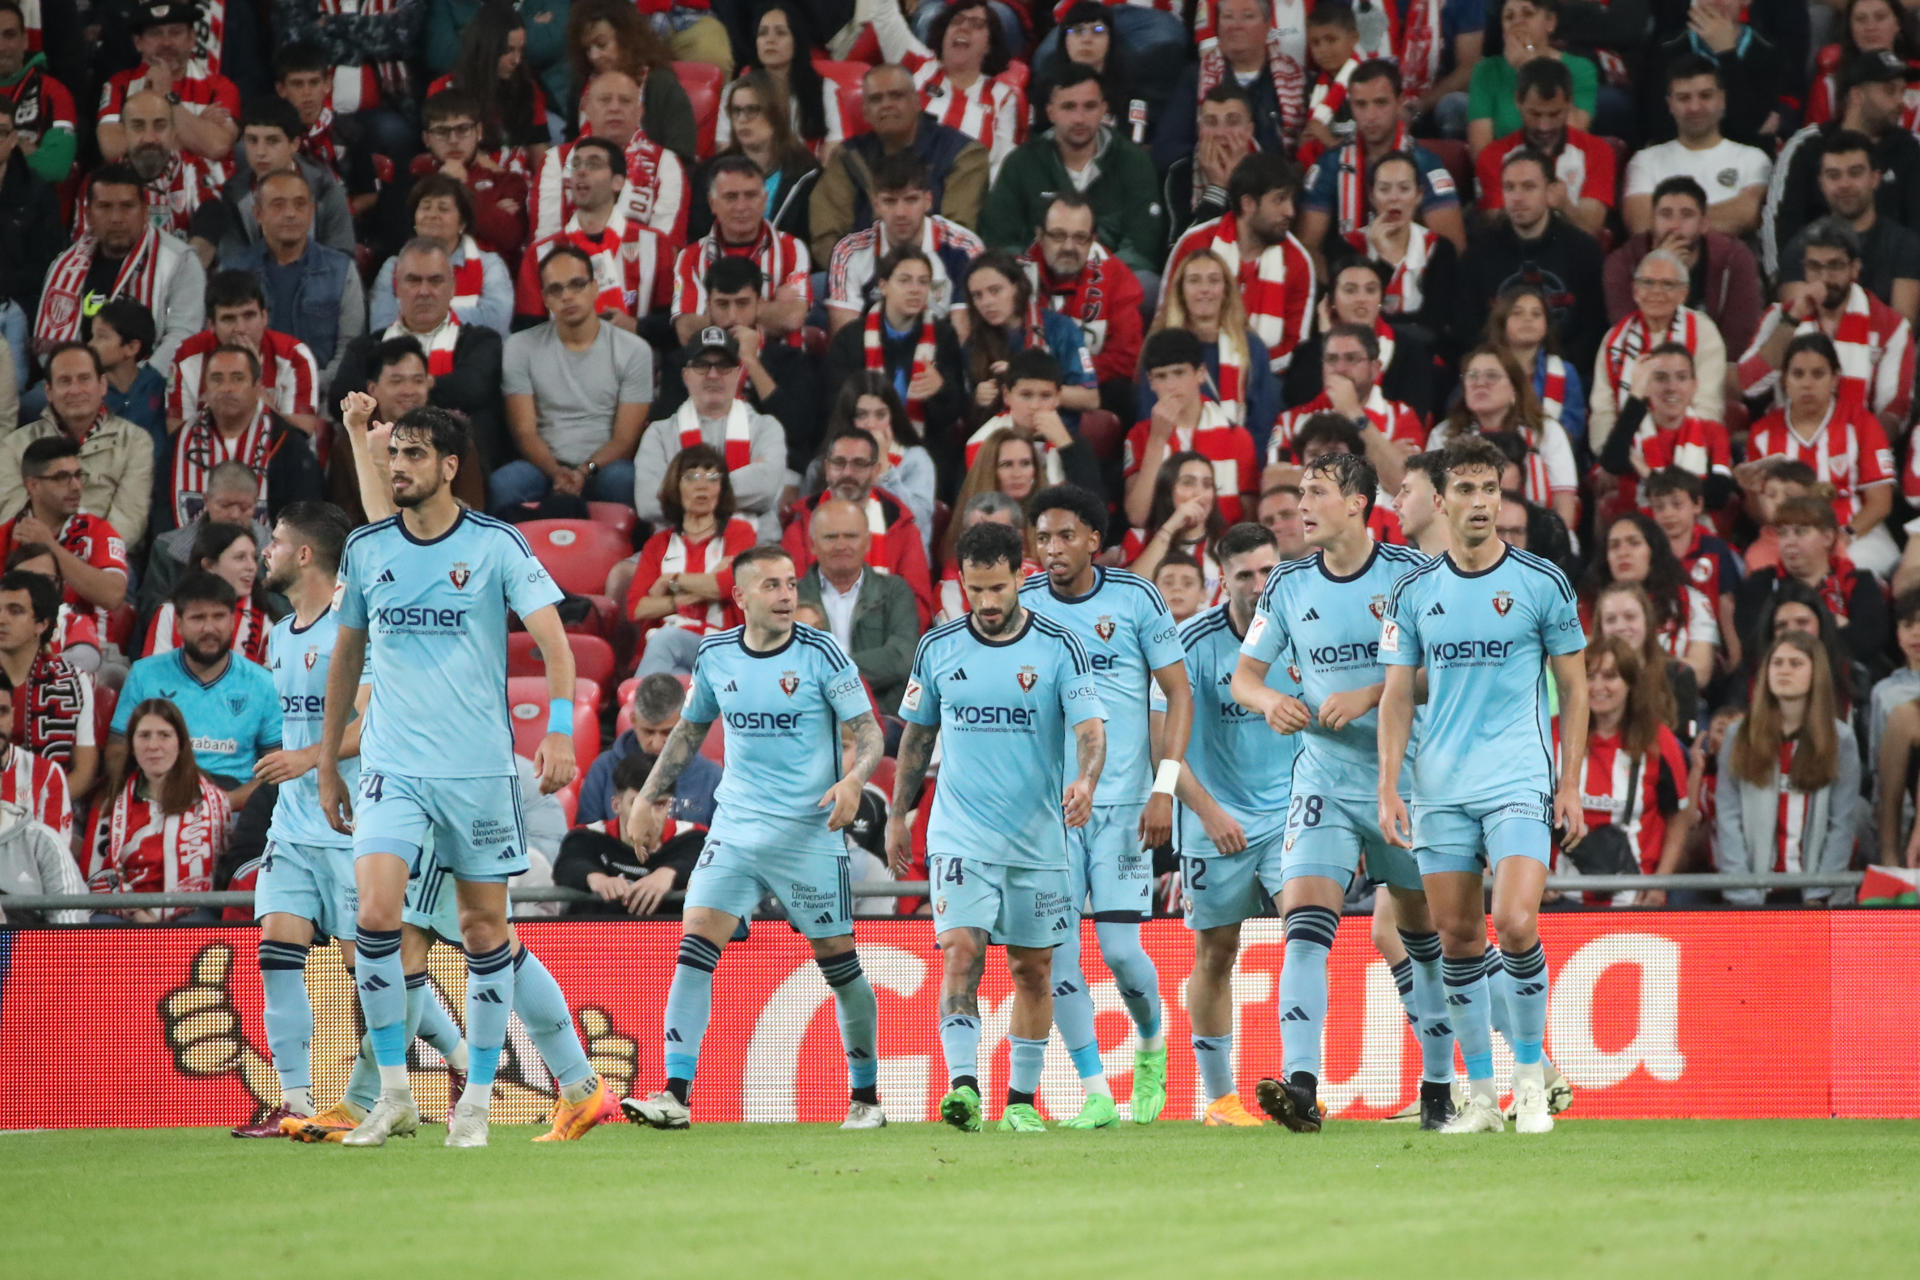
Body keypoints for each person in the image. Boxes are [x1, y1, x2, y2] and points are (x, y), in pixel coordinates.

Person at [319, 403, 612, 1148]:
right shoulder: (368, 548)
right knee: (380, 920)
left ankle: (481, 1101)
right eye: (395, 455)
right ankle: (389, 1095)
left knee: (487, 932)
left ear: (450, 466)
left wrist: (556, 734)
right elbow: (348, 657)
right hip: (393, 770)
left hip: (477, 773)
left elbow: (554, 646)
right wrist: (329, 761)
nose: (400, 466)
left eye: (414, 455)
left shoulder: (496, 546)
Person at [619, 544, 886, 1130]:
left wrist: (852, 780)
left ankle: (866, 1098)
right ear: (739, 598)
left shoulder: (821, 653)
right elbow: (688, 734)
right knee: (695, 945)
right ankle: (674, 1094)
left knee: (839, 965)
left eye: (791, 583)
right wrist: (647, 798)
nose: (787, 594)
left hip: (806, 833)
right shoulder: (715, 656)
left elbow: (869, 735)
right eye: (771, 585)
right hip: (736, 827)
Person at [1376, 435, 1588, 1136]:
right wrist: (1389, 786)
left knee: (1518, 921)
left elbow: (1575, 689)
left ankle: (1532, 1081)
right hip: (1440, 788)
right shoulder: (1413, 593)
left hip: (1520, 778)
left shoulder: (1541, 582)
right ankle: (1481, 1096)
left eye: (1489, 489)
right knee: (1458, 937)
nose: (1479, 502)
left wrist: (1571, 784)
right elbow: (1397, 698)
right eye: (1465, 490)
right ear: (1440, 501)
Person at [1231, 454, 1450, 1129]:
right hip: (1322, 777)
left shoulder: (1408, 577)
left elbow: (1438, 674)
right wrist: (1270, 701)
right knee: (1303, 925)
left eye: (1317, 492)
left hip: (1402, 779)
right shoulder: (1291, 584)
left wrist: (1370, 692)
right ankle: (1301, 1084)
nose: (1302, 504)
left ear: (1358, 502)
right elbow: (1245, 675)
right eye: (1301, 492)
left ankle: (1439, 1087)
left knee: (1422, 937)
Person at [888, 520, 1106, 1133]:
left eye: (998, 589)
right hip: (961, 834)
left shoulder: (1061, 647)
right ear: (961, 582)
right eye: (975, 590)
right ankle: (963, 1088)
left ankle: (1020, 1103)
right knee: (961, 953)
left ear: (1022, 577)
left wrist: (1085, 781)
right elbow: (916, 738)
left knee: (1032, 970)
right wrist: (901, 814)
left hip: (1039, 839)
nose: (986, 603)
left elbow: (1091, 731)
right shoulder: (939, 649)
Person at [1021, 482, 1192, 1129]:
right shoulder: (1025, 606)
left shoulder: (1136, 599)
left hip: (1123, 805)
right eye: (1044, 538)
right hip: (1049, 813)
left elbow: (1178, 695)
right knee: (1056, 958)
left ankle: (1151, 1042)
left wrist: (1164, 786)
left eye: (1066, 535)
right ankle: (1095, 1092)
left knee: (1120, 952)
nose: (1054, 549)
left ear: (1095, 539)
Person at [235, 502, 362, 1135]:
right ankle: (297, 1100)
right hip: (291, 828)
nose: (266, 552)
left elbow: (373, 723)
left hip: (349, 825)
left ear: (305, 555)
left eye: (276, 542)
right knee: (276, 951)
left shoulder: (350, 626)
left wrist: (307, 758)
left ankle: (448, 1067)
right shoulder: (281, 635)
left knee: (374, 970)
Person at [328, 238, 508, 473]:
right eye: (413, 280)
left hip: (459, 470)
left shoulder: (482, 341)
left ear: (452, 287)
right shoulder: (367, 346)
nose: (424, 291)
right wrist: (429, 390)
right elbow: (340, 400)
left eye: (435, 281)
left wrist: (394, 392)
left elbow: (472, 388)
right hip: (379, 467)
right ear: (397, 286)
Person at [492, 245, 651, 511]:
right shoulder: (519, 347)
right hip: (543, 466)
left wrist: (584, 471)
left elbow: (625, 439)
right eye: (556, 289)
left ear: (594, 288)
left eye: (577, 284)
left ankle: (634, 554)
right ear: (545, 299)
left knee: (627, 480)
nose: (567, 296)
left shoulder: (634, 350)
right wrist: (557, 472)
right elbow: (524, 432)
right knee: (505, 484)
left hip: (604, 467)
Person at [980, 63, 1164, 284]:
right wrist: (1038, 277)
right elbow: (1001, 240)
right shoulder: (1021, 162)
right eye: (1068, 107)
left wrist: (1098, 279)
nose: (1079, 118)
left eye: (1089, 106)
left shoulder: (1134, 161)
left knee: (1147, 285)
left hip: (1111, 282)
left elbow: (1141, 244)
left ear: (1104, 109)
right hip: (1037, 282)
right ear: (1051, 112)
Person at [1714, 632, 1858, 905]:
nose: (1784, 671)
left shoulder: (1841, 740)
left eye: (1795, 663)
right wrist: (1743, 893)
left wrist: (1820, 893)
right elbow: (1727, 818)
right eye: (1777, 663)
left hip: (1817, 897)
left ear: (1816, 672)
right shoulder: (1738, 735)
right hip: (1753, 895)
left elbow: (1842, 825)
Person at [111, 572, 278, 803]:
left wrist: (221, 805)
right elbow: (117, 750)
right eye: (198, 618)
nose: (209, 628)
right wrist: (150, 796)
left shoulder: (263, 683)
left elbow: (276, 768)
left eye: (218, 617)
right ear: (178, 624)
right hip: (156, 797)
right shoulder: (144, 674)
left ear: (232, 620)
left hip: (234, 804)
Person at [1742, 332, 1898, 578]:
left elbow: (1880, 502)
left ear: (1835, 379)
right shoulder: (1762, 433)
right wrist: (1751, 491)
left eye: (1817, 374)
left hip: (1856, 533)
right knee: (1759, 572)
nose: (1807, 383)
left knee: (1855, 569)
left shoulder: (1862, 424)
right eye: (1798, 374)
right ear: (1784, 379)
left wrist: (1844, 536)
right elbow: (1759, 515)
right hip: (1785, 539)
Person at [1740, 219, 1914, 436]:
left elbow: (1895, 409)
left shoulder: (1891, 326)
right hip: (1787, 447)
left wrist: (1856, 449)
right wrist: (1793, 319)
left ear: (1854, 269)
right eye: (1814, 267)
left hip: (1858, 449)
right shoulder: (1780, 317)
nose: (1824, 277)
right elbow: (1748, 384)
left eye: (1834, 266)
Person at [34, 163, 206, 381]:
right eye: (105, 207)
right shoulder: (65, 265)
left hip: (150, 384)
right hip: (77, 382)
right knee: (32, 404)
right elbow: (48, 346)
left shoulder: (180, 262)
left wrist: (140, 382)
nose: (116, 218)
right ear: (88, 214)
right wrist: (85, 381)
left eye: (127, 206)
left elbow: (183, 336)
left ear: (145, 212)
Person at [1763, 49, 1920, 281]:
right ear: (1856, 96)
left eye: (1901, 91)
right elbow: (1780, 221)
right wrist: (1785, 283)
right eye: (1889, 91)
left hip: (1898, 290)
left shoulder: (1912, 148)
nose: (1900, 102)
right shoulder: (1807, 146)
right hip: (1815, 287)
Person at [808, 62, 988, 265]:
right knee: (819, 284)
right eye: (876, 99)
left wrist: (912, 277)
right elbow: (826, 236)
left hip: (941, 276)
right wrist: (860, 276)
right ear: (865, 111)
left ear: (918, 102)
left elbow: (958, 235)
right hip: (863, 277)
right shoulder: (848, 157)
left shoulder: (961, 153)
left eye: (897, 96)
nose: (886, 104)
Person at [648, 258, 819, 463]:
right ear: (708, 306)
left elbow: (797, 430)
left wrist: (752, 363)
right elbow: (665, 427)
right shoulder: (682, 361)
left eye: (742, 304)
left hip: (773, 464)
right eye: (722, 304)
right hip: (697, 463)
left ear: (760, 305)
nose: (732, 316)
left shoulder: (790, 359)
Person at [1561, 636, 1692, 906]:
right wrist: (1537, 877)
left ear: (1631, 683)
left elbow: (1679, 817)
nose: (1598, 686)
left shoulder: (1660, 742)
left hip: (1634, 901)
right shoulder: (1554, 735)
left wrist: (1660, 883)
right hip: (1562, 897)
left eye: (1610, 676)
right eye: (1589, 676)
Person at [1458, 147, 1606, 376]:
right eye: (1509, 187)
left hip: (1568, 373)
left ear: (1551, 190)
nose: (1517, 197)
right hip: (1496, 372)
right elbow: (1470, 330)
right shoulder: (1479, 253)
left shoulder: (1583, 251)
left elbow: (1591, 330)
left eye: (1528, 187)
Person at [1297, 59, 1466, 259]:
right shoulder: (1329, 164)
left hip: (1412, 278)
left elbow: (1452, 249)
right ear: (1351, 106)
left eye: (1380, 103)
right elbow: (1307, 249)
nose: (1370, 115)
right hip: (1350, 279)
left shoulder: (1426, 164)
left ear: (1399, 102)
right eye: (1361, 105)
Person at [1166, 152, 1314, 377]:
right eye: (1279, 200)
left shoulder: (1298, 262)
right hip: (1194, 372)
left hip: (1265, 378)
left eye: (1291, 200)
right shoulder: (1195, 244)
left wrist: (1243, 368)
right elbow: (1168, 321)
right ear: (1248, 204)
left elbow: (1295, 348)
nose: (1290, 212)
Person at [85, 697, 231, 922]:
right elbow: (98, 876)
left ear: (180, 742)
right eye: (144, 736)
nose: (153, 745)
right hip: (126, 912)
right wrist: (138, 914)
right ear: (132, 746)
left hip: (192, 911)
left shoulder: (213, 800)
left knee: (197, 925)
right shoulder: (108, 802)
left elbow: (223, 872)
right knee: (101, 924)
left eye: (164, 735)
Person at [634, 326, 787, 540]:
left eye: (723, 366)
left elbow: (765, 489)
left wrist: (683, 489)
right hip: (677, 548)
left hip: (755, 553)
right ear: (686, 376)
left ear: (737, 373)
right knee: (620, 572)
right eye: (702, 365)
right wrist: (737, 488)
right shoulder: (658, 434)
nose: (713, 375)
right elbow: (647, 503)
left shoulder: (766, 427)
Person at [824, 247, 968, 470]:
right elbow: (835, 405)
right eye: (905, 280)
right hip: (858, 444)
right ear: (883, 286)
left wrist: (940, 390)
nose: (915, 290)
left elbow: (954, 412)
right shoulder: (851, 338)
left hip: (925, 449)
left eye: (923, 282)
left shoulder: (944, 337)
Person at [780, 425, 937, 628]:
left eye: (859, 464)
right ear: (827, 468)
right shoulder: (801, 527)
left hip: (886, 645)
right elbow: (789, 597)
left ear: (876, 471)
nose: (847, 473)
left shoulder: (902, 527)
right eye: (839, 463)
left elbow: (918, 607)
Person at [217, 167, 361, 384]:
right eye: (278, 205)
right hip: (248, 396)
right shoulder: (231, 272)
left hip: (322, 400)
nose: (290, 213)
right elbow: (217, 343)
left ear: (312, 212)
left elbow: (349, 351)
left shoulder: (341, 270)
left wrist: (305, 387)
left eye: (300, 204)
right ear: (258, 214)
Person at [625, 444, 759, 677]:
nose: (702, 485)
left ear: (722, 488)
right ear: (676, 487)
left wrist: (671, 581)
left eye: (713, 478)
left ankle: (636, 708)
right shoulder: (658, 544)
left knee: (666, 641)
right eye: (692, 477)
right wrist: (687, 598)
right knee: (674, 673)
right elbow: (637, 609)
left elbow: (728, 585)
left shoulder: (739, 533)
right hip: (669, 650)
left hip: (722, 648)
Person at [0, 345, 153, 547]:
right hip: (32, 555)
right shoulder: (14, 445)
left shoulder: (135, 441)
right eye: (64, 381)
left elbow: (129, 519)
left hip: (105, 561)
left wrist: (83, 557)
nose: (75, 390)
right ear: (48, 391)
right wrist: (49, 554)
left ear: (102, 384)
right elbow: (11, 516)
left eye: (84, 379)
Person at [1603, 176, 1766, 364]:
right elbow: (1628, 334)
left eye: (1687, 215)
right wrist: (1660, 266)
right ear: (1652, 220)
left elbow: (1739, 340)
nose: (1675, 225)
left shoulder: (1735, 259)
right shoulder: (1623, 263)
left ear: (1704, 224)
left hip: (1715, 367)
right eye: (1665, 214)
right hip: (1644, 367)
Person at [516, 136, 671, 331]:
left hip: (635, 359)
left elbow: (673, 324)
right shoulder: (541, 253)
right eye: (576, 165)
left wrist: (636, 326)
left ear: (618, 182)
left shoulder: (655, 244)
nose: (581, 171)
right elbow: (527, 329)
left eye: (593, 164)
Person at [858, 0, 1026, 179]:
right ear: (943, 34)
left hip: (965, 197)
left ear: (989, 45)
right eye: (956, 21)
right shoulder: (916, 64)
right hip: (900, 186)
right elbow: (884, 13)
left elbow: (1004, 165)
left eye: (977, 25)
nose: (963, 28)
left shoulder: (1003, 97)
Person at [165, 343, 324, 532]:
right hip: (187, 557)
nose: (227, 388)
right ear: (206, 389)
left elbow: (305, 524)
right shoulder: (178, 444)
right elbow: (163, 521)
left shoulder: (288, 446)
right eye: (217, 379)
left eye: (237, 378)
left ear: (257, 387)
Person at [825, 151, 980, 337]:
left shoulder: (963, 247)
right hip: (871, 355)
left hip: (941, 355)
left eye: (911, 200)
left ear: (928, 201)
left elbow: (962, 335)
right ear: (876, 205)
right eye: (890, 201)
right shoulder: (849, 252)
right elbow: (845, 338)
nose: (901, 212)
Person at [1021, 191, 1145, 422]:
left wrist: (1070, 371)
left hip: (1094, 385)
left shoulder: (1117, 277)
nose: (1069, 247)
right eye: (1058, 236)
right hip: (1025, 386)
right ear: (1039, 235)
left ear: (1093, 239)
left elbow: (1125, 358)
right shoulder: (1017, 277)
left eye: (1080, 238)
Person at [1427, 345, 1579, 534]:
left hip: (1537, 539)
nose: (1480, 383)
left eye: (1492, 376)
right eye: (1472, 376)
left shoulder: (1546, 432)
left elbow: (1564, 503)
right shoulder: (1444, 436)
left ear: (1514, 388)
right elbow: (1432, 504)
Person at [1774, 131, 1920, 326]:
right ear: (1821, 184)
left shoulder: (1904, 245)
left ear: (1875, 179)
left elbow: (1903, 327)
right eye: (1833, 175)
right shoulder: (1799, 248)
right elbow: (1799, 324)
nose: (1844, 184)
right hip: (1814, 351)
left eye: (1855, 173)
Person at [1143, 249, 1277, 460]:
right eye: (1194, 281)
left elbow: (1263, 423)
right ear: (1181, 291)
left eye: (1213, 280)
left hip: (1240, 464)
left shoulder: (1253, 347)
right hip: (1173, 461)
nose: (1204, 289)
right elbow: (1147, 416)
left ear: (1225, 290)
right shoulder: (1161, 346)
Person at [531, 69, 689, 247]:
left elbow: (666, 247)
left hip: (638, 268)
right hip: (569, 268)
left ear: (639, 112)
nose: (615, 108)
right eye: (605, 100)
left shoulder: (666, 162)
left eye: (625, 101)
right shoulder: (556, 160)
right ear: (587, 110)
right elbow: (545, 241)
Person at [1733, 495, 1889, 672]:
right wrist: (1832, 625)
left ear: (1828, 537)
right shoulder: (1760, 584)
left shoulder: (1859, 582)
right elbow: (1755, 641)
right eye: (1783, 534)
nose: (1789, 541)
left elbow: (1868, 642)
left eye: (1801, 532)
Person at [1124, 330, 1259, 532]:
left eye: (1179, 373)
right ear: (1151, 382)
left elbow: (1249, 518)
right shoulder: (1139, 435)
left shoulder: (1238, 437)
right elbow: (1137, 517)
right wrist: (1157, 440)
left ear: (1201, 373)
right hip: (1163, 546)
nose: (1170, 386)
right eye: (1161, 376)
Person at [1589, 249, 1727, 446]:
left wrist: (1679, 455)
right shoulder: (1615, 338)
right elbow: (1603, 410)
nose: (1656, 291)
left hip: (1688, 452)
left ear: (1683, 294)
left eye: (1668, 284)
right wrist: (1607, 455)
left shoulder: (1703, 332)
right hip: (1625, 454)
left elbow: (1707, 405)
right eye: (1647, 283)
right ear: (1635, 291)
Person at [0, 435, 132, 641]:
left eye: (78, 475)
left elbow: (113, 595)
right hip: (16, 650)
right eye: (62, 478)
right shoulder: (6, 536)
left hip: (96, 652)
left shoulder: (99, 531)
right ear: (33, 485)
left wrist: (50, 546)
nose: (76, 486)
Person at [1622, 57, 1770, 240]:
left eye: (1705, 96)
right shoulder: (1645, 160)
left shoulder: (1753, 158)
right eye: (1684, 98)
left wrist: (1666, 221)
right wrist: (1720, 214)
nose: (1694, 107)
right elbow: (1641, 225)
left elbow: (1747, 215)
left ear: (1722, 99)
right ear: (1670, 105)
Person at [670, 155, 811, 346]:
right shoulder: (690, 256)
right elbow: (687, 330)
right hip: (714, 369)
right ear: (712, 203)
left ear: (764, 200)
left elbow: (792, 317)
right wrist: (765, 308)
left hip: (780, 366)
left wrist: (716, 314)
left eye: (751, 196)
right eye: (731, 197)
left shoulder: (792, 248)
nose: (741, 207)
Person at [796, 498, 920, 714]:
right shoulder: (791, 597)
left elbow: (902, 657)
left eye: (851, 536)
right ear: (813, 544)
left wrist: (830, 674)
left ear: (868, 542)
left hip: (881, 715)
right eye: (830, 537)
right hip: (812, 715)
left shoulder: (895, 591)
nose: (841, 545)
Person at [166, 271, 322, 442]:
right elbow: (177, 433)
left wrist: (255, 387)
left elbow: (301, 434)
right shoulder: (187, 355)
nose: (240, 328)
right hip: (207, 453)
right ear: (211, 325)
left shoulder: (294, 356)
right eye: (228, 319)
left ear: (264, 317)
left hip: (277, 456)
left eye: (249, 316)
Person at [198, 96, 354, 262]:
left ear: (294, 144)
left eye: (272, 141)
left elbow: (341, 261)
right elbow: (234, 263)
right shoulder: (233, 193)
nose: (260, 152)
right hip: (254, 285)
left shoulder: (325, 188)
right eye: (252, 140)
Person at [1269, 322, 1421, 491]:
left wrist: (1352, 412)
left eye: (1351, 359)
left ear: (1375, 368)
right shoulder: (1291, 420)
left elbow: (1404, 485)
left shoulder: (1402, 415)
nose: (1340, 369)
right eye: (1332, 359)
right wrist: (1378, 461)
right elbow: (1273, 484)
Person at [1474, 58, 1614, 239]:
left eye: (1554, 114)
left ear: (1570, 103)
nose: (1544, 126)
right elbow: (1494, 230)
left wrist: (1564, 206)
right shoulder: (1493, 156)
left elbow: (1591, 230)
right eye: (1535, 114)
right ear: (1518, 102)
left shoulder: (1597, 151)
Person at [1337, 151, 1461, 350]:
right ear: (1372, 195)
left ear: (1419, 195)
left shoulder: (1439, 249)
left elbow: (1434, 324)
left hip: (1422, 355)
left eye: (1404, 189)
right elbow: (1353, 317)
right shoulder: (1348, 246)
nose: (1394, 198)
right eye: (1384, 189)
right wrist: (1384, 260)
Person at [960, 250, 1098, 421]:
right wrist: (978, 398)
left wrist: (1024, 379)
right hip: (999, 440)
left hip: (1053, 439)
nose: (986, 302)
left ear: (1017, 287)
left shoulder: (1061, 329)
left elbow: (1091, 399)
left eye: (995, 291)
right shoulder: (974, 342)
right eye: (977, 295)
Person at [1596, 344, 1734, 513]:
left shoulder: (1713, 432)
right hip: (1640, 531)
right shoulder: (1631, 429)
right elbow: (1612, 463)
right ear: (1647, 386)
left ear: (1694, 386)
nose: (1671, 388)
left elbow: (1718, 495)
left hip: (1697, 531)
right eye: (1661, 378)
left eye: (1681, 378)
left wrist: (1650, 476)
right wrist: (1636, 395)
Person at [1587, 510, 1719, 689]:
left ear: (1653, 551)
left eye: (1634, 543)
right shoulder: (1588, 602)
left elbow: (1700, 672)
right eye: (1614, 546)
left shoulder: (1692, 601)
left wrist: (1635, 665)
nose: (1623, 552)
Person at [98, 1, 241, 164]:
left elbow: (217, 146)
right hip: (135, 187)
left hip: (203, 188)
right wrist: (197, 130)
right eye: (155, 33)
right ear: (138, 43)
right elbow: (112, 148)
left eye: (175, 32)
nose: (166, 42)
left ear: (192, 38)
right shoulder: (119, 84)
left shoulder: (220, 87)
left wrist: (167, 96)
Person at [370, 174, 514, 335]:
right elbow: (381, 326)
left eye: (443, 209)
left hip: (472, 355)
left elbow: (495, 321)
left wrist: (422, 319)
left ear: (462, 223)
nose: (432, 215)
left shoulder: (489, 265)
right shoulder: (393, 267)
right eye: (425, 207)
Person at [692, 69, 820, 248]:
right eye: (736, 111)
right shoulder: (710, 172)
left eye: (752, 110)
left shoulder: (808, 173)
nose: (742, 119)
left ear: (776, 114)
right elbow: (698, 238)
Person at [575, 672, 721, 828]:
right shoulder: (603, 769)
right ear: (634, 721)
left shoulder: (712, 778)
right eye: (648, 732)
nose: (657, 744)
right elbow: (585, 839)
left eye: (667, 732)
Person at [405, 88, 530, 268]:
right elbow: (406, 236)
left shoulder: (507, 182)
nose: (453, 140)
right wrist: (490, 211)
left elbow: (509, 237)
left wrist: (460, 186)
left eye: (463, 129)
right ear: (426, 139)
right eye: (442, 131)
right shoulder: (417, 178)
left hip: (490, 284)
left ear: (479, 132)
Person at [806, 374, 941, 541]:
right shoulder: (822, 466)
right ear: (847, 419)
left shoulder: (916, 460)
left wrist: (883, 466)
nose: (871, 424)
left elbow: (917, 522)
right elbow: (806, 526)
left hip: (901, 557)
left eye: (880, 415)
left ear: (893, 417)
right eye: (861, 415)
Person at [562, 0, 698, 162]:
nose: (594, 56)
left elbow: (682, 156)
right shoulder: (581, 86)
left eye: (601, 45)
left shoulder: (661, 85)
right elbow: (570, 149)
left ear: (627, 39)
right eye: (587, 49)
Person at [0, 570, 97, 797]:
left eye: (15, 611)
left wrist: (43, 807)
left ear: (42, 624)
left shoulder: (74, 681)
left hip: (48, 808)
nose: (2, 619)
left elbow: (84, 770)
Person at [1466, 0, 1596, 155]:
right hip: (1504, 169)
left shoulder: (1580, 68)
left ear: (1550, 22)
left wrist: (1528, 65)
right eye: (1509, 17)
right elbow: (1480, 151)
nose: (1517, 23)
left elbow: (1575, 133)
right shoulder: (1486, 70)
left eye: (1528, 14)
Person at [713, 4, 835, 155]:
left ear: (797, 40)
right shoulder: (734, 92)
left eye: (781, 33)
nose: (770, 40)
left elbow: (833, 152)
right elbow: (726, 153)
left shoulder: (826, 90)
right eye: (762, 33)